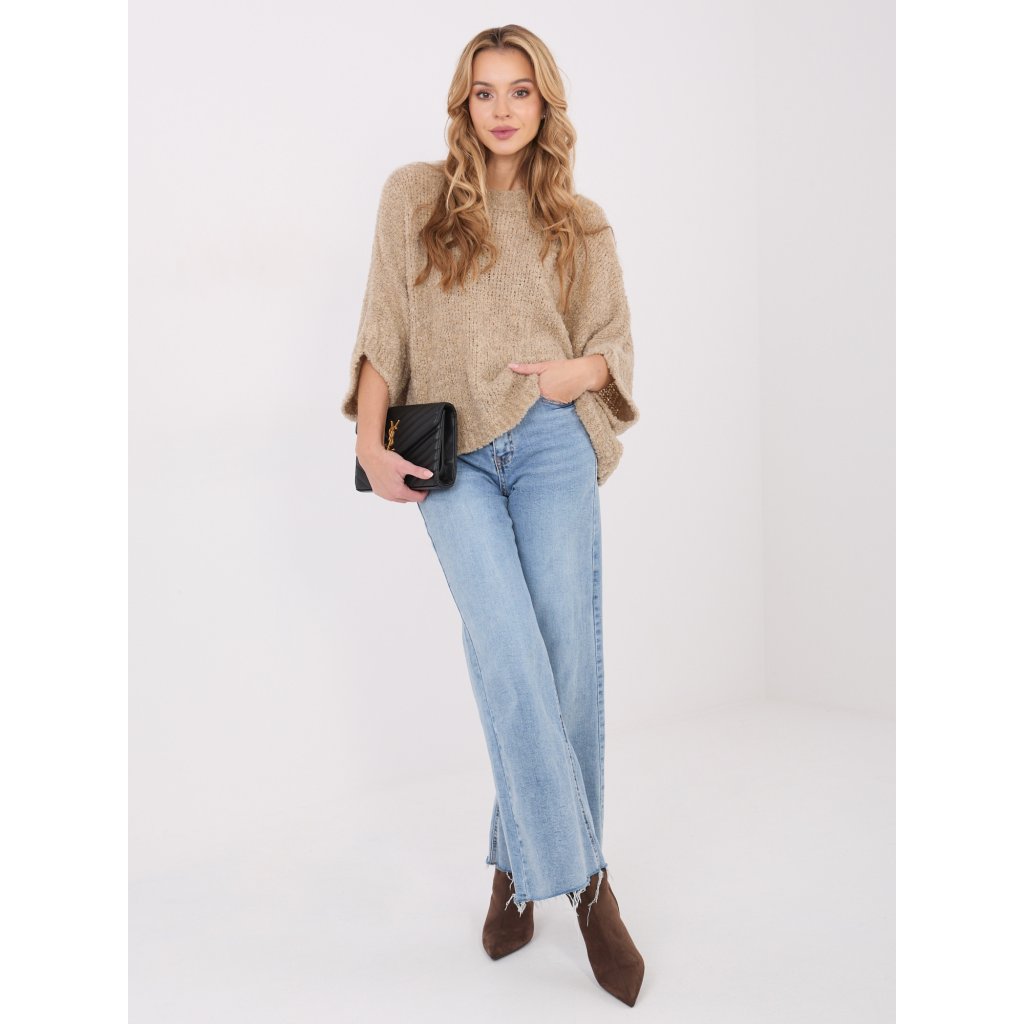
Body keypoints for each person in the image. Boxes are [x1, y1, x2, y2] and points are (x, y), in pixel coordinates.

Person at [340, 25, 644, 1006]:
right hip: (452, 456)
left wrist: (571, 374)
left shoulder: (579, 223)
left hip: (551, 442)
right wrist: (367, 441)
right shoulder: (415, 196)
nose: (502, 108)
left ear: (544, 104)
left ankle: (519, 865)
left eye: (520, 90)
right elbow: (384, 323)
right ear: (462, 104)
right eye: (485, 92)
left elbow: (612, 349)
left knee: (566, 660)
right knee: (508, 654)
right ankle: (588, 881)